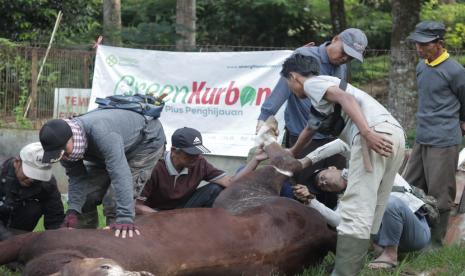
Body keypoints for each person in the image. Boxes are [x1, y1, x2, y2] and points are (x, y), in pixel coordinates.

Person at [275, 54, 405, 276]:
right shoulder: (323, 93)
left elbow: (346, 100)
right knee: (373, 207)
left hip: (372, 136)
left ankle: (343, 272)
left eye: (288, 82)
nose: (290, 87)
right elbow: (310, 128)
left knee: (355, 209)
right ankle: (351, 266)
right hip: (395, 135)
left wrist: (366, 132)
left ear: (294, 77)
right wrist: (294, 154)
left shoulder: (314, 83)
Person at [257, 28, 368, 209]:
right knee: (303, 191)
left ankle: (329, 231)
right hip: (303, 136)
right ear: (335, 39)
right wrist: (264, 118)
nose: (345, 59)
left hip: (333, 137)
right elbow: (281, 90)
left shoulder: (341, 66)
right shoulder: (304, 57)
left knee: (333, 187)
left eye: (351, 57)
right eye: (344, 52)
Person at [293, 139, 430, 269]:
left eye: (322, 177)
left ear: (332, 167)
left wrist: (306, 161)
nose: (323, 183)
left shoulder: (362, 163)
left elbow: (343, 144)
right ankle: (379, 251)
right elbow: (338, 220)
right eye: (322, 187)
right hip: (393, 240)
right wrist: (311, 201)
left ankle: (390, 254)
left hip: (415, 233)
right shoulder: (346, 200)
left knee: (389, 202)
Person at [39, 109, 166, 239]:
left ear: (71, 138)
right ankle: (84, 241)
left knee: (114, 200)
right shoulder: (66, 149)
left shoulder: (101, 132)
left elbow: (120, 174)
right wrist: (73, 210)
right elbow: (77, 178)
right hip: (107, 148)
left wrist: (125, 218)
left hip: (145, 144)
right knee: (87, 197)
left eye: (64, 152)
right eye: (59, 154)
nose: (64, 157)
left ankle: (117, 244)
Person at [404, 21, 465, 247]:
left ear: (439, 43)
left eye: (424, 44)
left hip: (444, 140)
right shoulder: (422, 67)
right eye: (417, 44)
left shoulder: (455, 71)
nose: (419, 49)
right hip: (422, 137)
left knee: (440, 192)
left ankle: (435, 244)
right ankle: (409, 235)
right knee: (409, 186)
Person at [136, 127, 232, 213]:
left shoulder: (199, 162)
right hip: (157, 212)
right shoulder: (154, 167)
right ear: (174, 150)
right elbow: (137, 206)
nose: (196, 157)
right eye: (190, 154)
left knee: (216, 189)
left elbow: (227, 181)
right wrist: (164, 218)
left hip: (183, 208)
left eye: (198, 153)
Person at [0, 142, 64, 241]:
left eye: (37, 176)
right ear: (17, 162)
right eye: (29, 173)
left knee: (34, 207)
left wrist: (57, 241)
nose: (31, 179)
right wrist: (9, 240)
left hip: (18, 231)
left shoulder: (47, 184)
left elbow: (55, 220)